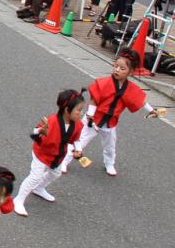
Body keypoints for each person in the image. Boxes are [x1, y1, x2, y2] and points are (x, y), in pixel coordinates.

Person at [62, 48, 163, 176]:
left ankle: (109, 163)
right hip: (93, 120)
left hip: (110, 123)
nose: (117, 70)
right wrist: (90, 115)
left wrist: (153, 110)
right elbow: (94, 99)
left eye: (122, 68)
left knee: (110, 146)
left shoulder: (130, 89)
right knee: (79, 141)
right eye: (116, 66)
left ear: (130, 72)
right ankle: (64, 161)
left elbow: (141, 101)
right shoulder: (105, 83)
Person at [13, 90, 86, 217]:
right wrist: (41, 130)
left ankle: (39, 188)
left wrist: (78, 149)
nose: (81, 113)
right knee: (35, 176)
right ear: (67, 110)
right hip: (42, 154)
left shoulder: (78, 125)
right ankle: (18, 200)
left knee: (56, 173)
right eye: (79, 110)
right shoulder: (51, 121)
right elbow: (35, 132)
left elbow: (76, 139)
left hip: (57, 156)